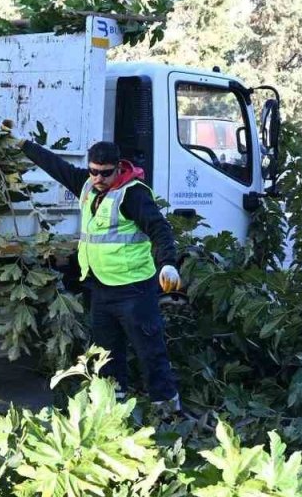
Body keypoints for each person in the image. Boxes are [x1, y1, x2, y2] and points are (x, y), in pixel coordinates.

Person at [19, 137, 183, 411]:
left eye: (105, 172)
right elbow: (56, 167)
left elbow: (159, 229)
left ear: (118, 168)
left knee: (150, 354)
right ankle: (112, 412)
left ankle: (168, 415)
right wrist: (24, 145)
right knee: (107, 357)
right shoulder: (88, 185)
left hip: (135, 292)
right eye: (93, 171)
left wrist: (167, 263)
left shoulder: (133, 194)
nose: (98, 178)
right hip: (101, 290)